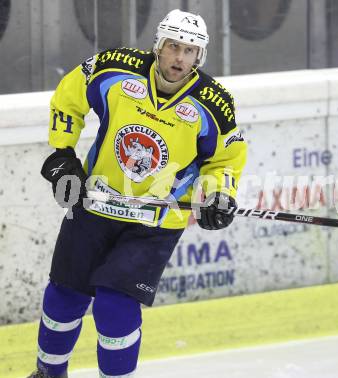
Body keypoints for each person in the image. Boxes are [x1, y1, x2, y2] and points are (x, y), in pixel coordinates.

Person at [28, 8, 247, 378]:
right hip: (95, 203)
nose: (180, 58)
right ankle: (48, 373)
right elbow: (69, 95)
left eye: (190, 51)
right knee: (66, 294)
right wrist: (63, 152)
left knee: (114, 308)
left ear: (200, 56)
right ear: (158, 45)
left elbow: (223, 161)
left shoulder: (213, 103)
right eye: (173, 46)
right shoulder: (116, 69)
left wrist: (217, 195)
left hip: (154, 222)